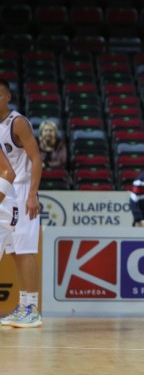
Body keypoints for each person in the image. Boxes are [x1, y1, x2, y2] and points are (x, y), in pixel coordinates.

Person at [0, 78, 43, 328]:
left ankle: (32, 309)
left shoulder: (17, 123)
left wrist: (33, 193)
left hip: (23, 190)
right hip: (5, 193)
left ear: (7, 97)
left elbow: (36, 158)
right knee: (15, 252)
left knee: (24, 250)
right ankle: (23, 305)